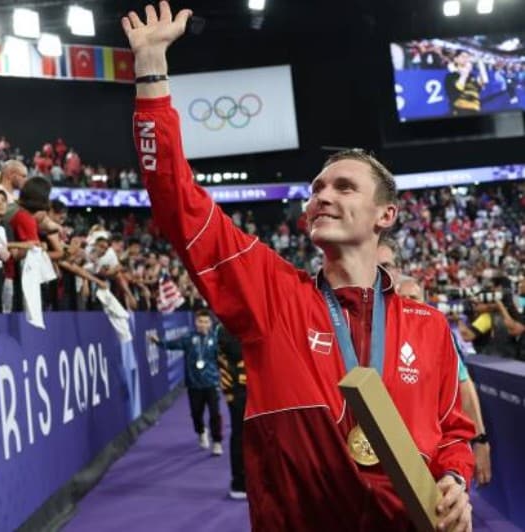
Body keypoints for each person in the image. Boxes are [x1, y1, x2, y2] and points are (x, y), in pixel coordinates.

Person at [122, 4, 474, 530]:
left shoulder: (430, 326)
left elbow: (453, 432)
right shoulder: (271, 293)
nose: (321, 197)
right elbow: (176, 201)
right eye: (316, 189)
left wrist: (455, 480)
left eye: (344, 187)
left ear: (386, 215)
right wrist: (151, 68)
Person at [398, 277, 492, 487]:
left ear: (424, 302)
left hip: (430, 458)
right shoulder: (382, 336)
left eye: (413, 297)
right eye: (402, 297)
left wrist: (480, 439)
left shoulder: (438, 336)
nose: (408, 303)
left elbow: (464, 386)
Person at [150, 309, 223, 455]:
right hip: (194, 384)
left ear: (210, 324)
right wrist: (158, 342)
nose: (203, 324)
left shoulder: (216, 339)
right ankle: (201, 431)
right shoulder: (188, 338)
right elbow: (172, 344)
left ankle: (217, 442)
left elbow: (221, 359)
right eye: (200, 321)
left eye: (206, 322)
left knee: (215, 413)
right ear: (195, 322)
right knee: (196, 413)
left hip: (212, 383)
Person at [216, 322, 247, 499]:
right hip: (237, 391)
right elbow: (236, 353)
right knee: (240, 435)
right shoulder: (226, 328)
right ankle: (239, 482)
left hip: (260, 389)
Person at [444, 51, 486, 116]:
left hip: (476, 109)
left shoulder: (472, 76)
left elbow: (476, 90)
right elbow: (456, 90)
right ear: (456, 59)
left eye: (467, 57)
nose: (466, 59)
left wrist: (480, 84)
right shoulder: (451, 76)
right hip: (461, 110)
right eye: (463, 56)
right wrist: (464, 75)